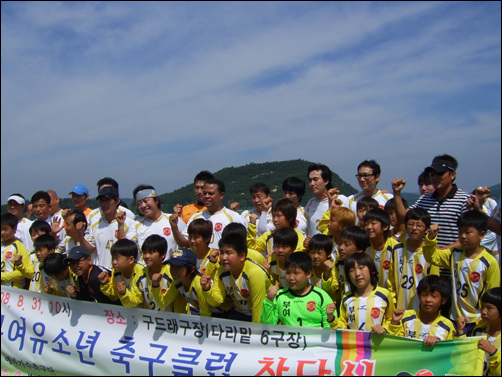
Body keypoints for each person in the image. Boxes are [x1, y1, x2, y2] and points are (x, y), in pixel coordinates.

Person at [423, 211, 500, 335]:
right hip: (455, 318)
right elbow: (432, 257)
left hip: (478, 320)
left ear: (481, 234)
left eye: (468, 232)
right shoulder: (455, 253)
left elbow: (492, 293)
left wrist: (486, 318)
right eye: (460, 232)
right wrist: (431, 238)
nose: (463, 236)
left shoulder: (489, 262)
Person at [200, 232, 271, 323]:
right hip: (237, 315)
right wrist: (207, 289)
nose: (224, 257)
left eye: (229, 253)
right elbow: (217, 301)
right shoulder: (221, 271)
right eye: (221, 253)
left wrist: (255, 333)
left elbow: (258, 307)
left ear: (242, 256)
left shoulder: (254, 272)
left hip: (260, 317)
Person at [261, 252, 336, 328]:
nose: (291, 277)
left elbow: (330, 329)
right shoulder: (279, 296)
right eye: (288, 272)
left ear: (308, 274)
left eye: (296, 273)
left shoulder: (321, 296)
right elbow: (267, 326)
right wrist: (269, 301)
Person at [388, 207, 439, 310]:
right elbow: (391, 281)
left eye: (419, 225)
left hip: (422, 310)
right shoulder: (397, 249)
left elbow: (434, 284)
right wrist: (393, 303)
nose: (414, 228)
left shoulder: (430, 253)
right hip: (399, 308)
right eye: (411, 224)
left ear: (426, 229)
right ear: (405, 227)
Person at [173, 178, 247, 250]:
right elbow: (184, 243)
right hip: (200, 262)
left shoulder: (234, 217)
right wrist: (174, 227)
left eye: (211, 194)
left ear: (221, 195)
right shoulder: (196, 218)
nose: (206, 196)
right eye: (204, 193)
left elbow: (242, 246)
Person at [386, 275, 456, 346]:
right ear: (419, 296)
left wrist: (438, 344)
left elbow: (453, 351)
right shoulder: (404, 317)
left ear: (443, 300)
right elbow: (392, 344)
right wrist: (394, 323)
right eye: (424, 295)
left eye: (434, 296)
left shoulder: (447, 325)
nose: (428, 300)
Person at [333, 252, 394, 332]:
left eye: (361, 268)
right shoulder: (346, 298)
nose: (357, 274)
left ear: (372, 270)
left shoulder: (384, 294)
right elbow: (343, 326)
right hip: (354, 344)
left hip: (378, 343)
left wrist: (385, 329)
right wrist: (332, 319)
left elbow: (392, 320)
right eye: (352, 270)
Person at [135, 234, 189, 313]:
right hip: (149, 321)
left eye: (151, 252)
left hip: (173, 321)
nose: (146, 256)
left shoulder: (172, 274)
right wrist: (123, 293)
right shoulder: (140, 275)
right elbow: (134, 301)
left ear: (163, 254)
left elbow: (169, 301)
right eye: (144, 252)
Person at [87, 186, 138, 268]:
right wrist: (78, 233)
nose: (104, 204)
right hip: (102, 275)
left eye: (107, 200)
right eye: (101, 200)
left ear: (117, 201)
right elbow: (90, 249)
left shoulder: (129, 223)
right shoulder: (96, 223)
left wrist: (120, 225)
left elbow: (126, 250)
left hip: (122, 274)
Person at [153, 248, 212, 316]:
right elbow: (162, 303)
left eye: (178, 267)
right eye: (172, 266)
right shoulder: (178, 283)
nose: (173, 270)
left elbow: (205, 313)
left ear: (192, 269)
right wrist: (155, 285)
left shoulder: (199, 284)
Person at [133, 184, 186, 261]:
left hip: (170, 269)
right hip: (146, 270)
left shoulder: (173, 219)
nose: (143, 205)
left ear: (156, 200)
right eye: (139, 203)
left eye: (146, 201)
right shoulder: (136, 224)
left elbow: (186, 243)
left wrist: (174, 227)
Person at [459, 288, 500, 376]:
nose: (483, 312)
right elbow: (467, 356)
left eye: (489, 308)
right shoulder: (479, 329)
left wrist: (493, 352)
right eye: (482, 307)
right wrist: (461, 332)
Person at [332, 226, 370, 314]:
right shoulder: (338, 263)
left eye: (347, 244)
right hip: (345, 308)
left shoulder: (366, 266)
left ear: (359, 249)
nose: (341, 247)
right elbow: (334, 287)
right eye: (340, 243)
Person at [98, 239, 145, 307]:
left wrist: (124, 293)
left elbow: (137, 301)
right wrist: (105, 284)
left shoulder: (140, 272)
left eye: (117, 259)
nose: (114, 262)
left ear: (131, 259)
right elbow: (114, 296)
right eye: (113, 258)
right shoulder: (117, 271)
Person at [363, 208, 398, 289]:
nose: (368, 227)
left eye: (373, 223)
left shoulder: (396, 248)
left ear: (385, 227)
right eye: (366, 224)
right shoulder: (364, 246)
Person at [1, 212, 34, 288]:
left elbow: (23, 272)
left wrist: (3, 277)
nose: (2, 233)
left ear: (14, 229)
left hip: (13, 292)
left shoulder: (19, 247)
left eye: (5, 229)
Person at [305, 164, 334, 237]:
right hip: (315, 247)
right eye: (310, 180)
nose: (312, 184)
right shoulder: (310, 203)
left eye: (315, 179)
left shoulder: (339, 200)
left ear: (326, 181)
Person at [308, 234, 338, 301]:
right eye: (312, 252)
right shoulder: (307, 269)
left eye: (319, 253)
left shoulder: (335, 271)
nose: (315, 256)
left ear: (329, 254)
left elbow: (331, 292)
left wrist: (326, 275)